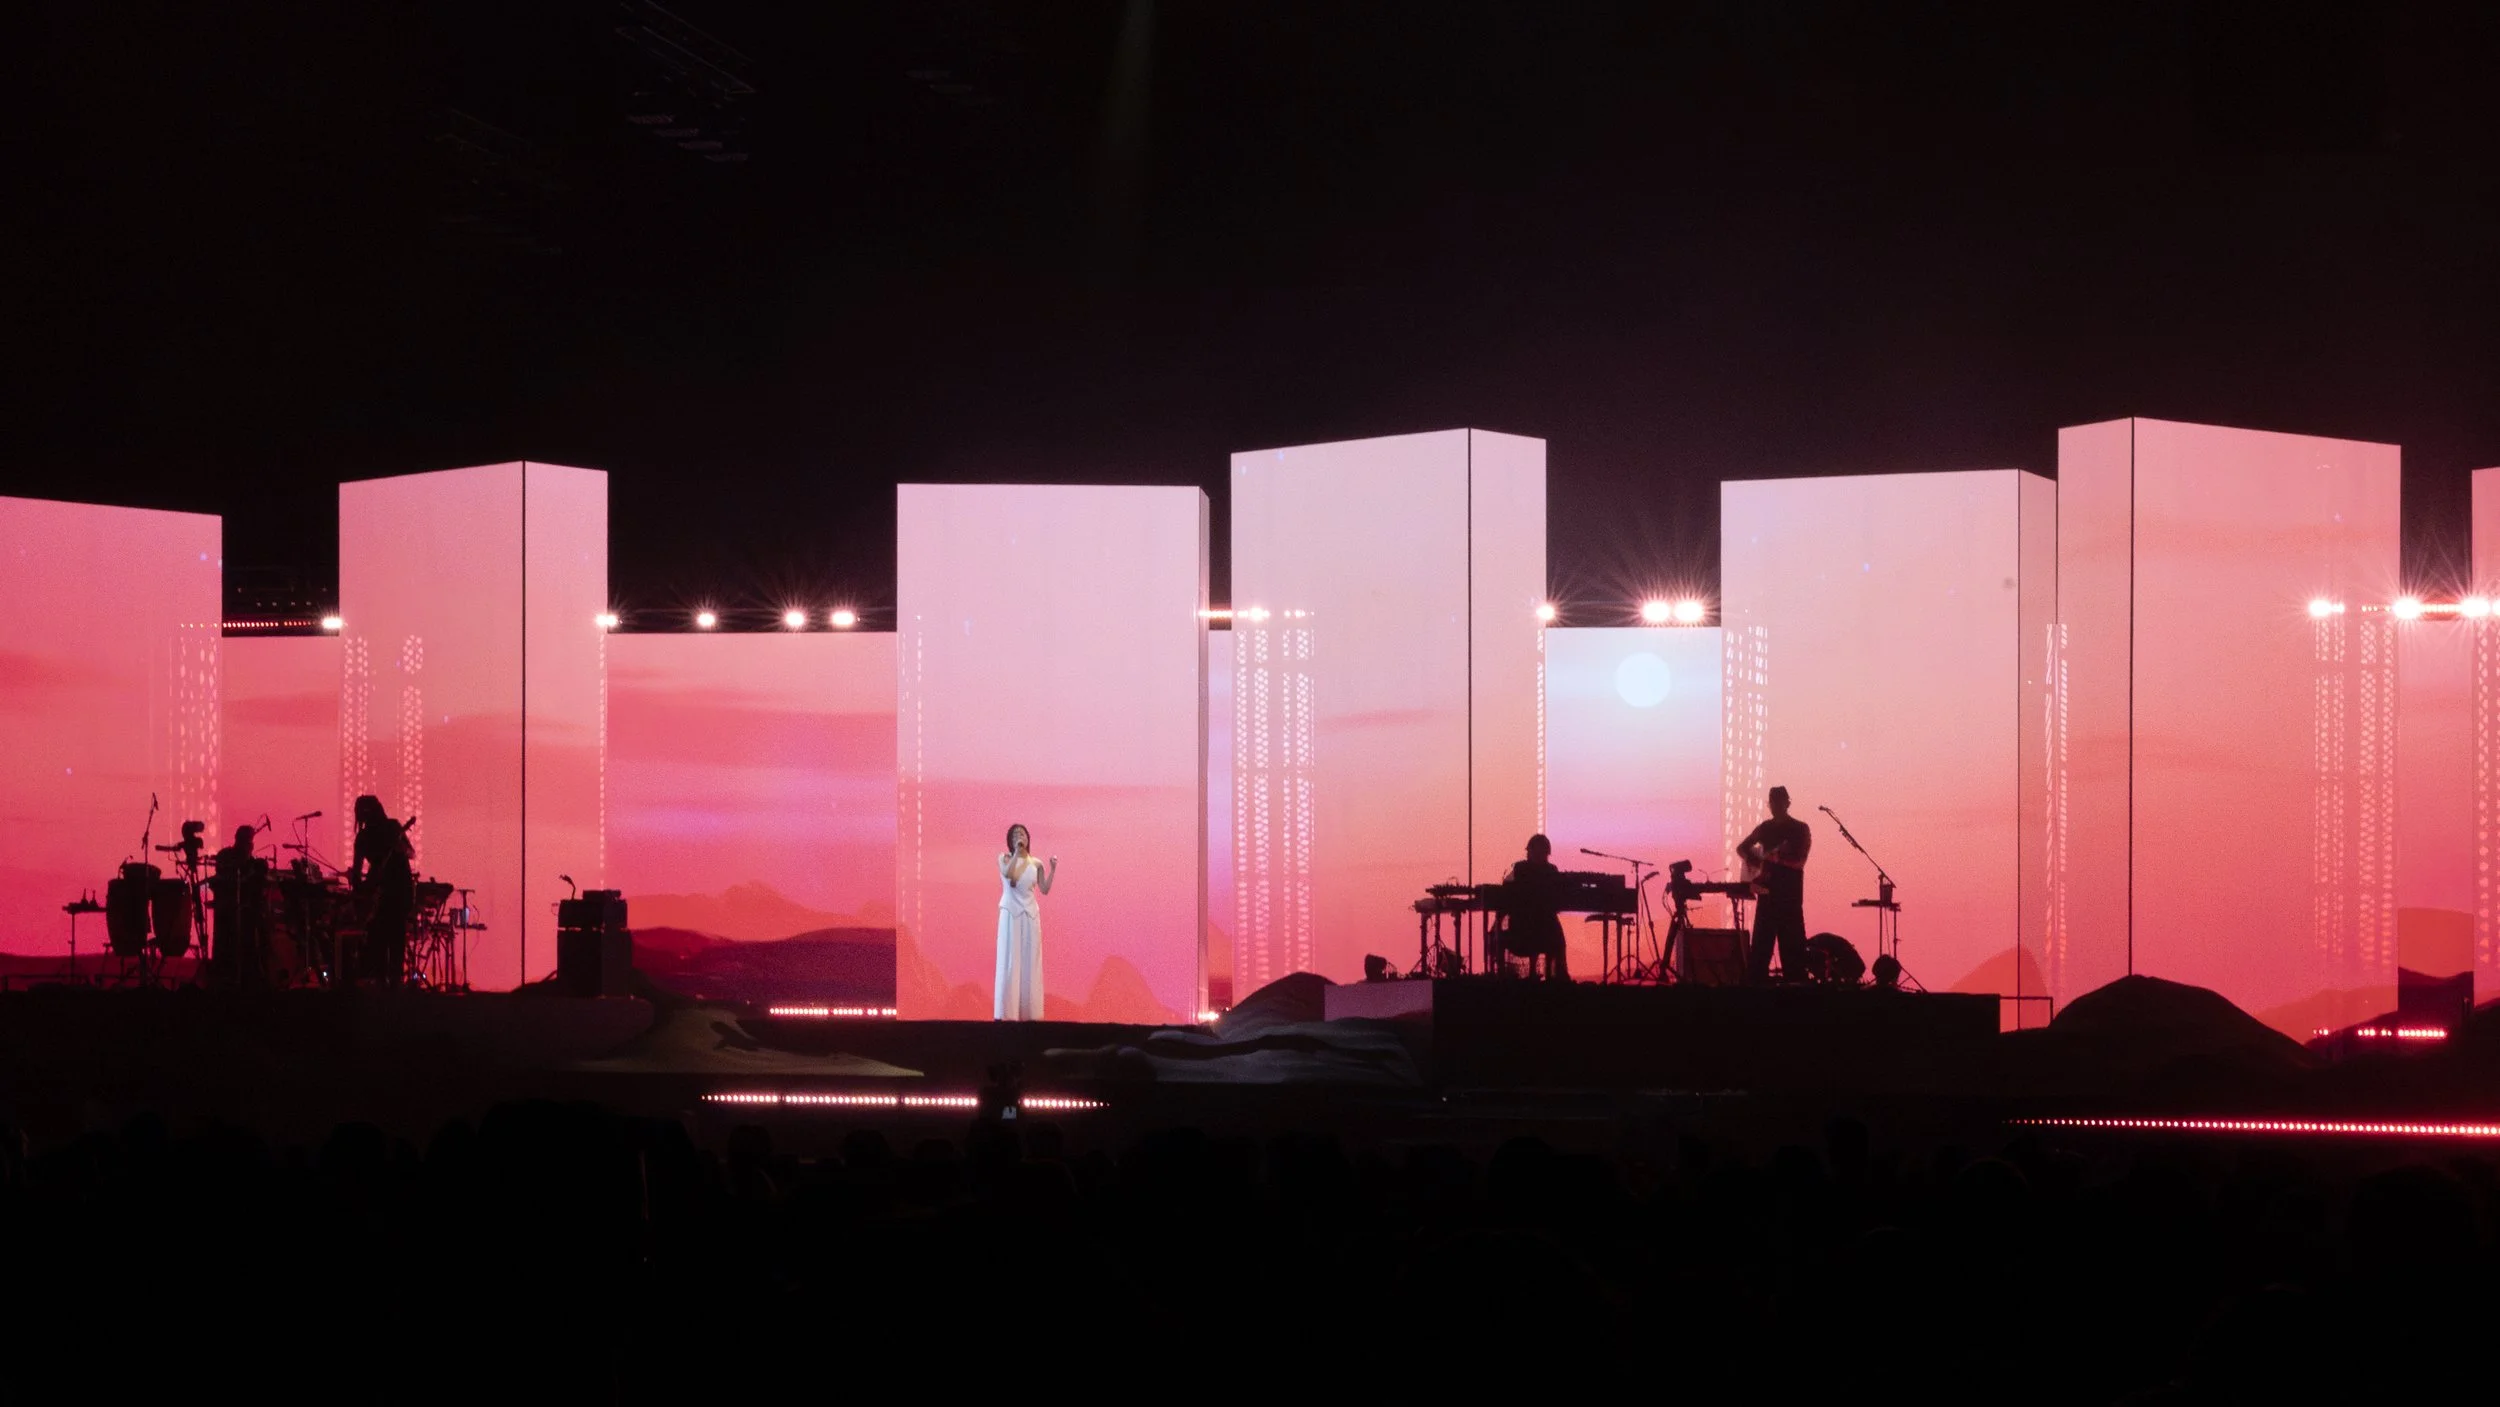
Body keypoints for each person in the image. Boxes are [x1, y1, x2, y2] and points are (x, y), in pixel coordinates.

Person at [1736, 786, 1812, 984]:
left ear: (1787, 803)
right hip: (1768, 896)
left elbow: (1800, 862)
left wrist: (1775, 859)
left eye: (1778, 802)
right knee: (1760, 953)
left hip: (1789, 899)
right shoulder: (1765, 828)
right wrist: (1757, 863)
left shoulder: (1800, 829)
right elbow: (1742, 848)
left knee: (1793, 956)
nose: (1775, 806)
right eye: (1773, 803)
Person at [349, 795, 415, 986]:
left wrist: (400, 848)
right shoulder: (364, 837)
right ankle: (385, 980)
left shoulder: (393, 827)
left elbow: (411, 853)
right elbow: (356, 871)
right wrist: (363, 890)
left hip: (399, 888)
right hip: (382, 891)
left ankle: (392, 980)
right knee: (382, 935)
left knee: (394, 935)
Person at [994, 823, 1055, 1021]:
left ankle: (1031, 1014)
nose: (1019, 836)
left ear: (1028, 838)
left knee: (1030, 962)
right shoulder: (1004, 858)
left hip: (1030, 915)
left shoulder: (1036, 863)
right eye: (1015, 835)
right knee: (1011, 960)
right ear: (1010, 841)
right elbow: (1010, 876)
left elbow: (1044, 889)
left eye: (1022, 834)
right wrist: (1016, 854)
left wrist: (1052, 869)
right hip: (1011, 914)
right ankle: (1008, 1013)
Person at [1500, 834, 1570, 982]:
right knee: (1555, 935)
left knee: (1546, 928)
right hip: (1533, 930)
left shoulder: (1520, 868)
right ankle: (1556, 977)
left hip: (1525, 929)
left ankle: (1544, 974)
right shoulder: (1549, 871)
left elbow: (1505, 890)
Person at [209, 824, 268, 987]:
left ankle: (253, 971)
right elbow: (227, 878)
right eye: (248, 840)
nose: (249, 844)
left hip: (245, 910)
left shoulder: (250, 861)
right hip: (228, 910)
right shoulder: (226, 856)